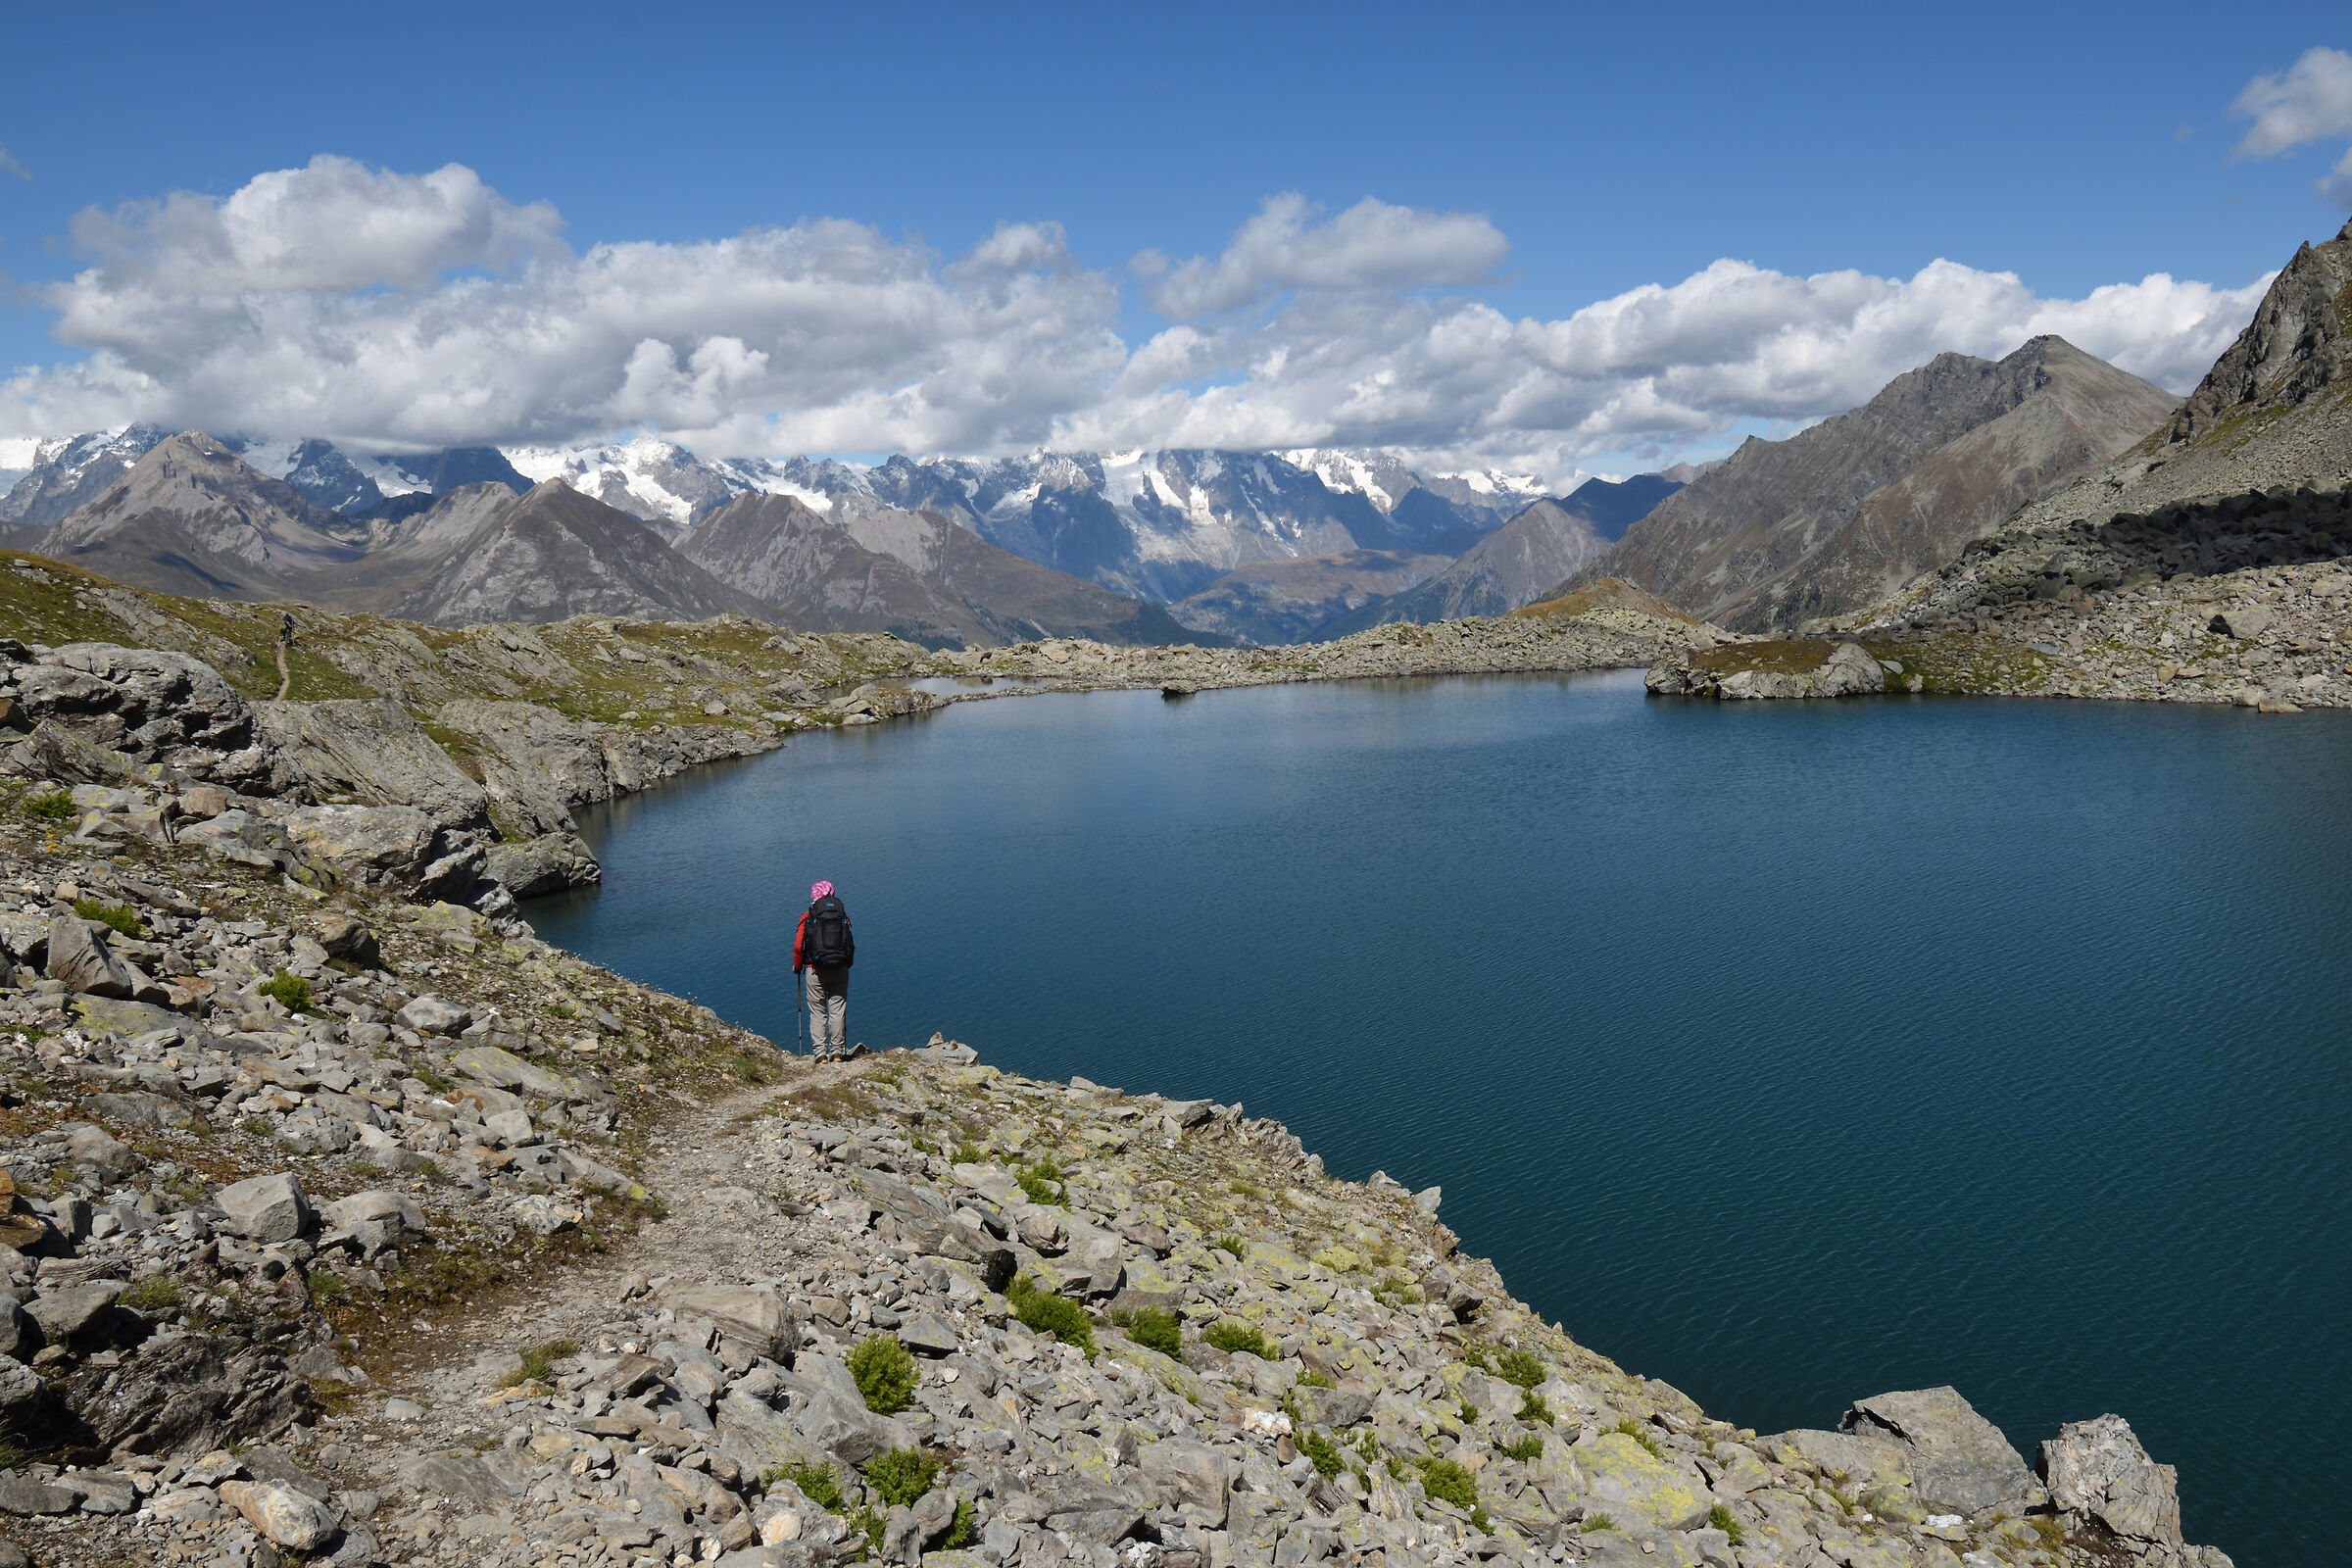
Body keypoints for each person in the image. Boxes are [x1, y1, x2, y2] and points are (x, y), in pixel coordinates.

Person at [793, 879, 856, 1060]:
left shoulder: (807, 917)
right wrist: (847, 964)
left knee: (818, 1011)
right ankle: (837, 1052)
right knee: (837, 1008)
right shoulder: (841, 916)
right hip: (840, 968)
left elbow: (798, 947)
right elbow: (849, 944)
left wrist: (798, 966)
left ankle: (820, 1054)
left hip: (814, 969)